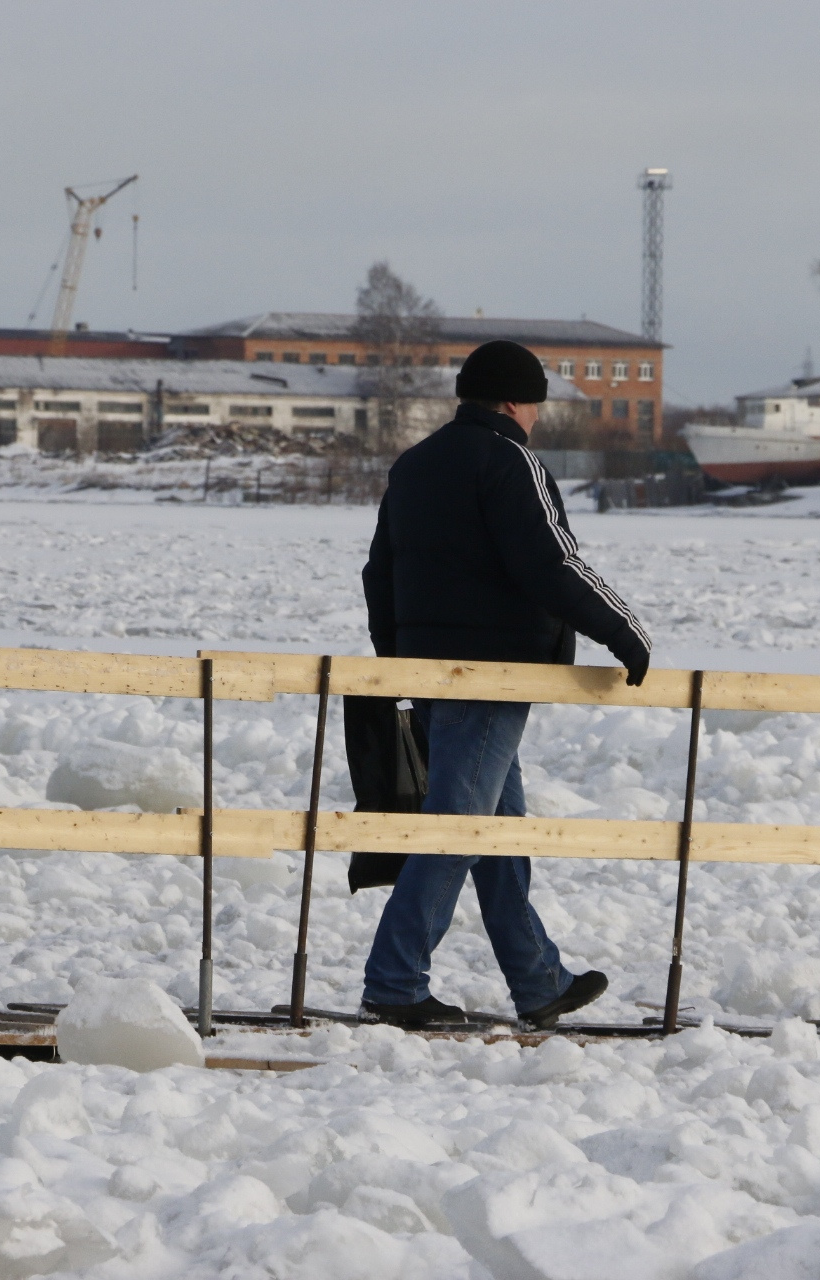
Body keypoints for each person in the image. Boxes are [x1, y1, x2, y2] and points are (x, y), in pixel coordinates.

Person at [360, 340, 652, 1030]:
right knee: (461, 829)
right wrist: (624, 630)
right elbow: (552, 560)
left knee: (497, 830)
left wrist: (396, 659)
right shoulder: (511, 462)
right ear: (519, 402)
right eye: (537, 406)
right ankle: (395, 980)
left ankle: (538, 978)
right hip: (492, 675)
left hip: (428, 669)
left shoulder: (415, 464)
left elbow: (379, 572)